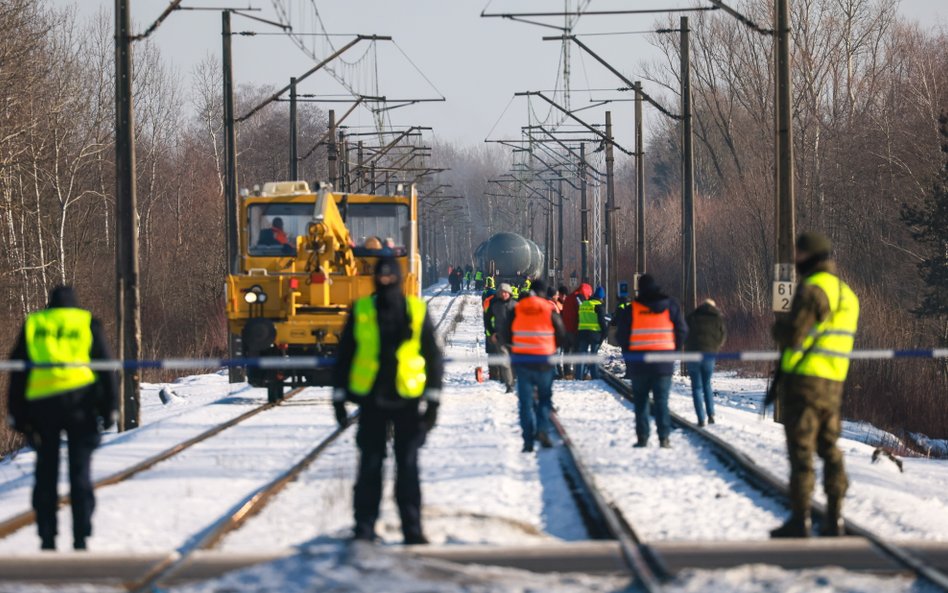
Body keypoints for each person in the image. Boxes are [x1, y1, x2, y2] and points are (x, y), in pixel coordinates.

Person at [332, 256, 444, 545]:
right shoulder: (362, 310)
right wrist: (338, 397)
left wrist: (433, 402)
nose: (385, 283)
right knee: (370, 465)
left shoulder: (416, 311)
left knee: (407, 467)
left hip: (407, 400)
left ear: (398, 278)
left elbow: (433, 358)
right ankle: (365, 527)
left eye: (389, 278)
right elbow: (344, 356)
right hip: (371, 400)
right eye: (380, 278)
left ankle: (412, 529)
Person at [7, 285, 118, 551]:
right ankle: (81, 535)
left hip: (42, 408)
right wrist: (110, 408)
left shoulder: (35, 323)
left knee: (46, 473)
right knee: (80, 472)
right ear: (74, 304)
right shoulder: (86, 322)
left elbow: (18, 371)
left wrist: (17, 414)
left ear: (50, 304)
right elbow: (107, 368)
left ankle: (47, 537)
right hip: (81, 406)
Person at [769, 232, 859, 539]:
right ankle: (835, 517)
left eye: (798, 254)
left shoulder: (812, 289)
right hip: (834, 382)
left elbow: (793, 334)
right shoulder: (847, 294)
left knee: (802, 451)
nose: (795, 259)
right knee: (830, 448)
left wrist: (778, 326)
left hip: (805, 382)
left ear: (809, 256)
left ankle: (800, 518)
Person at [615, 274, 687, 449]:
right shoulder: (670, 306)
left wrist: (630, 353)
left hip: (639, 365)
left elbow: (621, 336)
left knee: (641, 401)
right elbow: (682, 330)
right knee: (662, 401)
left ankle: (643, 438)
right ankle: (664, 438)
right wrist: (673, 350)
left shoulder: (632, 309)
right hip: (663, 364)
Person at [505, 280, 566, 452]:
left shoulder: (517, 308)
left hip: (522, 362)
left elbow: (507, 333)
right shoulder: (548, 308)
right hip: (544, 361)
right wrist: (554, 345)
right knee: (544, 398)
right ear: (544, 292)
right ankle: (542, 431)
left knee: (525, 402)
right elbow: (561, 332)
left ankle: (527, 441)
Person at [685, 299, 727, 427]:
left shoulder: (691, 317)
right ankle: (711, 414)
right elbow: (723, 336)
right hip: (709, 355)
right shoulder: (717, 318)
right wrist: (715, 347)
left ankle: (701, 419)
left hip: (693, 355)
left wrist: (687, 346)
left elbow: (684, 334)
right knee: (707, 384)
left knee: (696, 387)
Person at [486, 283, 517, 392]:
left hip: (514, 338)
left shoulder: (515, 305)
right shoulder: (494, 305)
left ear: (509, 293)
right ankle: (509, 384)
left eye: (505, 292)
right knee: (504, 362)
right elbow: (487, 320)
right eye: (501, 292)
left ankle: (513, 379)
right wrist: (492, 333)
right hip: (500, 337)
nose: (503, 294)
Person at [560, 283, 592, 380]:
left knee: (567, 352)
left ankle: (567, 373)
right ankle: (578, 372)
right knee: (577, 351)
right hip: (575, 330)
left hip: (565, 329)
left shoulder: (569, 297)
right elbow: (581, 313)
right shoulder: (579, 298)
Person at [575, 286, 607, 380]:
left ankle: (578, 377)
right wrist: (605, 333)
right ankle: (595, 377)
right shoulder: (598, 305)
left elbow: (578, 318)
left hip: (582, 333)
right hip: (594, 334)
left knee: (582, 355)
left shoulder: (584, 304)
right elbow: (602, 321)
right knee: (593, 355)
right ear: (601, 297)